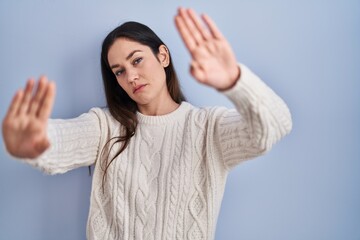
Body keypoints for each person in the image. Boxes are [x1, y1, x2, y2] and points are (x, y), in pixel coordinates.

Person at [2, 7, 292, 240]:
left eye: (137, 60)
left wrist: (235, 82)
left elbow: (275, 125)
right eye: (119, 71)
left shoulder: (208, 129)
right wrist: (34, 145)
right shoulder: (106, 126)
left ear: (162, 55)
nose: (131, 76)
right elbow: (60, 142)